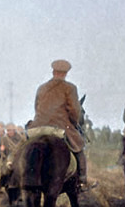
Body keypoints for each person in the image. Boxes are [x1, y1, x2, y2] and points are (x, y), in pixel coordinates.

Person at [29, 59, 91, 191]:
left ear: (53, 72)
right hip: (59, 127)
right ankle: (82, 180)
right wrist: (73, 123)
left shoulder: (41, 88)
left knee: (22, 148)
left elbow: (36, 107)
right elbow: (75, 111)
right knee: (79, 146)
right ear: (66, 74)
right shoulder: (70, 88)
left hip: (37, 127)